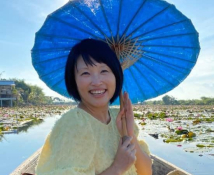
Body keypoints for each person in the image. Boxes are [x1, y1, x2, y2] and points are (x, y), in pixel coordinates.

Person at [35, 39, 152, 175]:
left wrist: (129, 134)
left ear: (116, 76)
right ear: (74, 80)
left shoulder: (119, 118)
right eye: (85, 73)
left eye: (104, 71)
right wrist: (117, 167)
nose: (97, 82)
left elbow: (146, 172)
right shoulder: (74, 124)